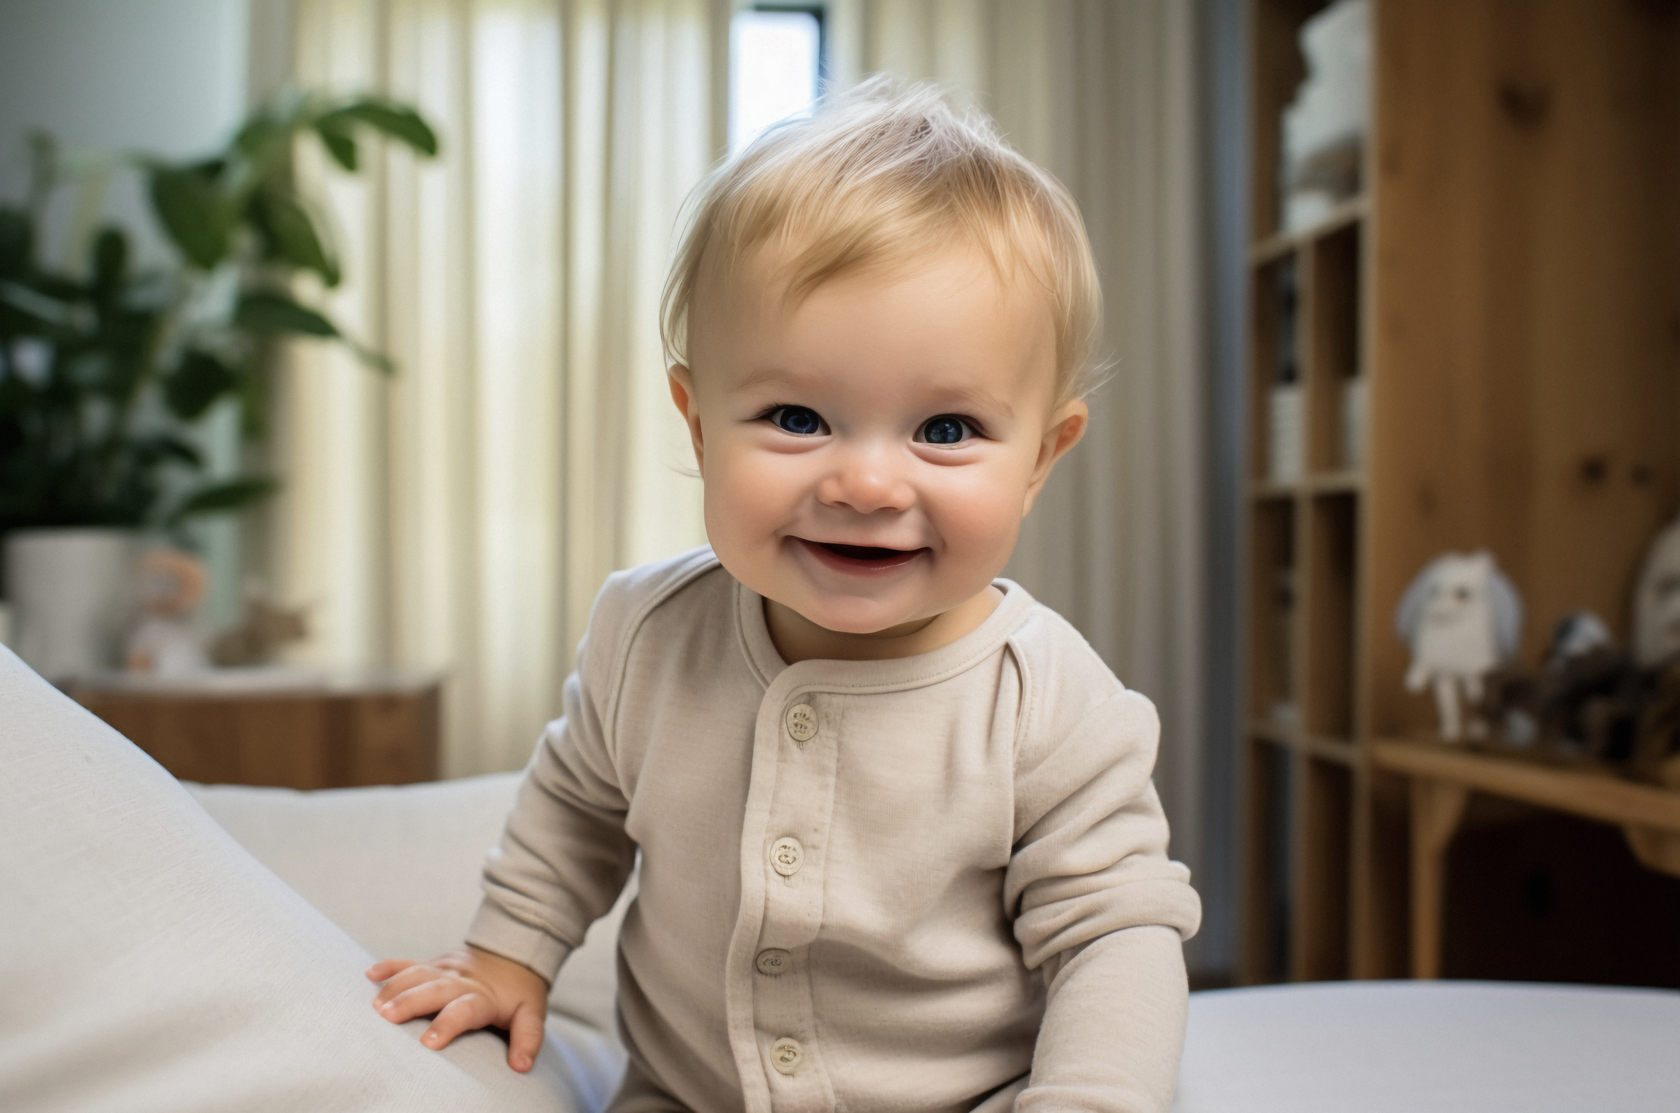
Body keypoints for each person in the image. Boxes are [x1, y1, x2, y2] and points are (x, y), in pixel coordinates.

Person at [367, 78, 1201, 1112]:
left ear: (1041, 456)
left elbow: (1116, 931)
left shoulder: (1048, 699)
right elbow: (575, 811)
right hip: (688, 1091)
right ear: (698, 421)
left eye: (945, 431)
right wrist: (507, 956)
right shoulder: (647, 635)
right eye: (798, 417)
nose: (865, 485)